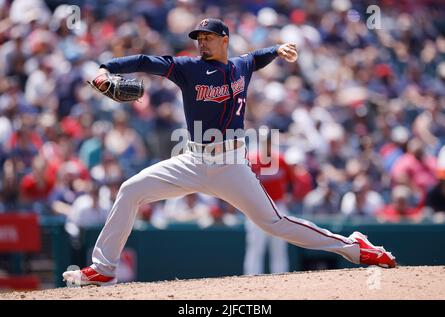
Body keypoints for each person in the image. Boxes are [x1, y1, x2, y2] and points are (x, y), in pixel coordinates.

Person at [63, 18, 396, 286]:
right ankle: (103, 268)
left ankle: (355, 248)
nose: (202, 42)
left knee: (275, 224)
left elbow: (257, 57)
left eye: (208, 36)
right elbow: (146, 62)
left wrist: (278, 49)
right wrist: (107, 67)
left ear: (224, 39)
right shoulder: (188, 68)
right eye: (199, 37)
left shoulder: (241, 65)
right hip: (192, 160)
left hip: (231, 165)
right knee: (131, 189)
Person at [244, 131, 292, 275]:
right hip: (257, 207)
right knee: (256, 247)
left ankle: (281, 281)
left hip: (278, 206)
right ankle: (251, 282)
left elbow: (292, 183)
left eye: (269, 141)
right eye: (265, 141)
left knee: (279, 247)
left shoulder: (281, 160)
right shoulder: (252, 159)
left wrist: (289, 197)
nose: (267, 144)